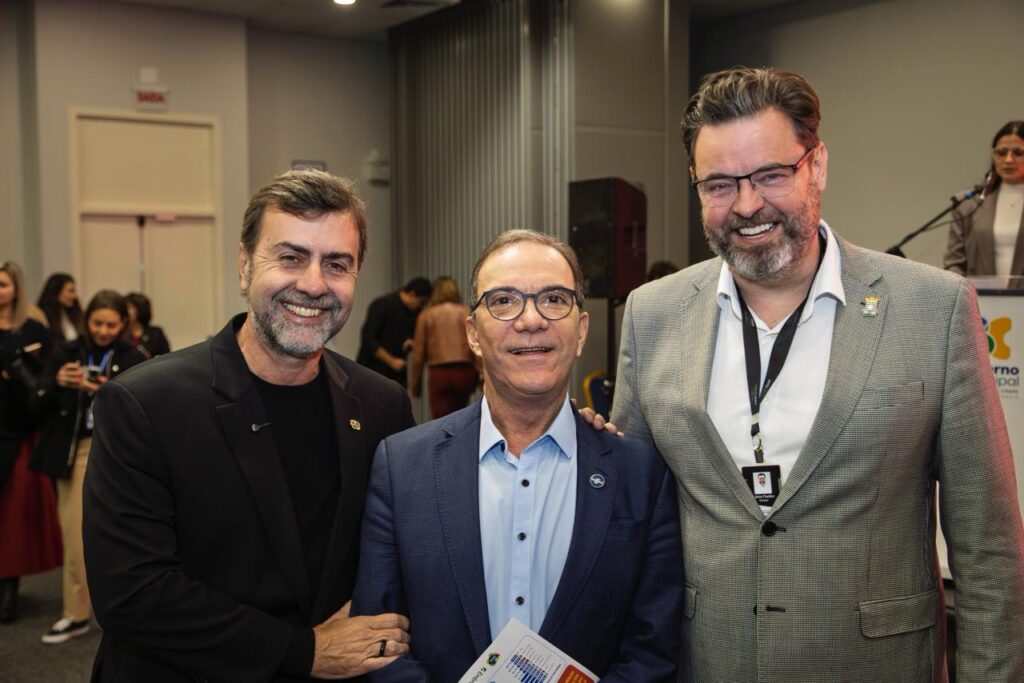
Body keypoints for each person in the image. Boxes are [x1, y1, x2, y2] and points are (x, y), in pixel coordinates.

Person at [611, 67, 1024, 682]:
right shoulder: (653, 314)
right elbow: (630, 517)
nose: (746, 205)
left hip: (874, 664)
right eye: (719, 184)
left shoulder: (932, 307)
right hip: (709, 662)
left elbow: (988, 548)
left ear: (818, 165)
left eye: (771, 175)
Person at [82, 170, 414, 682]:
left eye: (336, 264)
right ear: (244, 267)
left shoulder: (382, 404)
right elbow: (131, 593)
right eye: (291, 257)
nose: (314, 284)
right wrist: (303, 651)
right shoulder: (145, 404)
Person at [352, 230, 682, 682]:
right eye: (504, 301)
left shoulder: (641, 475)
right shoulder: (402, 467)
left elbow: (652, 649)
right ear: (473, 334)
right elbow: (378, 638)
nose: (531, 320)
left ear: (581, 331)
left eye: (554, 299)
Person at [30, 289, 148, 643]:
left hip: (123, 451)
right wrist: (57, 383)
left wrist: (111, 391)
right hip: (78, 448)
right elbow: (36, 400)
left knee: (134, 532)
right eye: (97, 323)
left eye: (111, 325)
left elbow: (151, 406)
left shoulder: (134, 356)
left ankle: (135, 609)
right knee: (74, 534)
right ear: (86, 321)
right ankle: (76, 612)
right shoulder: (66, 352)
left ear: (123, 324)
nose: (103, 331)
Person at [0, 261, 62, 624]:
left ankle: (9, 593)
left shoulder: (34, 329)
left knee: (13, 519)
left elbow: (48, 379)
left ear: (15, 288)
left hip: (20, 431)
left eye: (3, 284)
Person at [945, 120, 1024, 276]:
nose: (1009, 160)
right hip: (978, 292)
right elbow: (954, 263)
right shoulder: (968, 204)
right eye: (1001, 153)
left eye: (1018, 153)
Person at [408, 276, 478, 418]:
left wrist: (414, 384)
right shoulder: (466, 313)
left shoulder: (426, 316)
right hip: (465, 371)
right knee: (462, 417)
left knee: (441, 420)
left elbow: (418, 355)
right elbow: (477, 344)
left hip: (439, 374)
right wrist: (482, 375)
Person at [356, 277, 431, 385]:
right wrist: (392, 361)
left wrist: (408, 342)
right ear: (412, 294)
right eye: (421, 302)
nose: (422, 307)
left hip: (396, 377)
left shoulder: (414, 314)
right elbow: (368, 340)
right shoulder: (382, 305)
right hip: (372, 372)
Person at [36, 273, 84, 343]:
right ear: (56, 291)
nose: (73, 296)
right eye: (70, 291)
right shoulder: (41, 316)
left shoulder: (76, 314)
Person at [124, 292, 171, 358]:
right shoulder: (119, 333)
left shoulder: (156, 334)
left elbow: (167, 357)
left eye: (129, 308)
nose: (125, 311)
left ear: (140, 309)